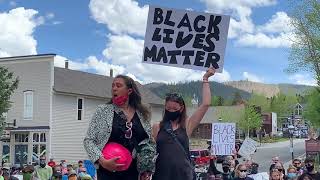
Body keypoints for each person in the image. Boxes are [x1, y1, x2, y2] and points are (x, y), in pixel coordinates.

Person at [83, 75, 156, 180]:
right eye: (113, 86)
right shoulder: (103, 111)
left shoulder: (142, 114)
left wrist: (146, 168)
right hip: (107, 171)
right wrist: (103, 161)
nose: (114, 88)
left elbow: (148, 142)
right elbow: (88, 140)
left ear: (129, 91)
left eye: (118, 85)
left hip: (134, 172)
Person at [151, 68, 215, 180]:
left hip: (184, 175)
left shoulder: (188, 125)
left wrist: (205, 79)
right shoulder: (157, 127)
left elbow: (206, 104)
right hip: (161, 175)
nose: (171, 110)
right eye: (168, 108)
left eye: (174, 108)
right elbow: (151, 151)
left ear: (181, 108)